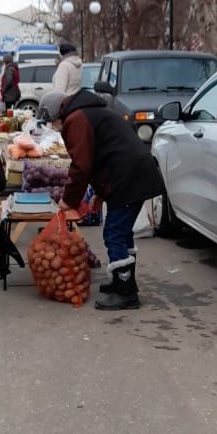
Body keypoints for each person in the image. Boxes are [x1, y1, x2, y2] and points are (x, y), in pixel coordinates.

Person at [38, 88, 165, 311]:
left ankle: (126, 293)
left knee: (114, 232)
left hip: (127, 176)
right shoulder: (89, 111)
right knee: (122, 231)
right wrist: (99, 192)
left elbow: (82, 165)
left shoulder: (76, 119)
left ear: (58, 112)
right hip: (130, 173)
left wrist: (69, 200)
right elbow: (100, 155)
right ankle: (122, 282)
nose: (53, 127)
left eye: (52, 122)